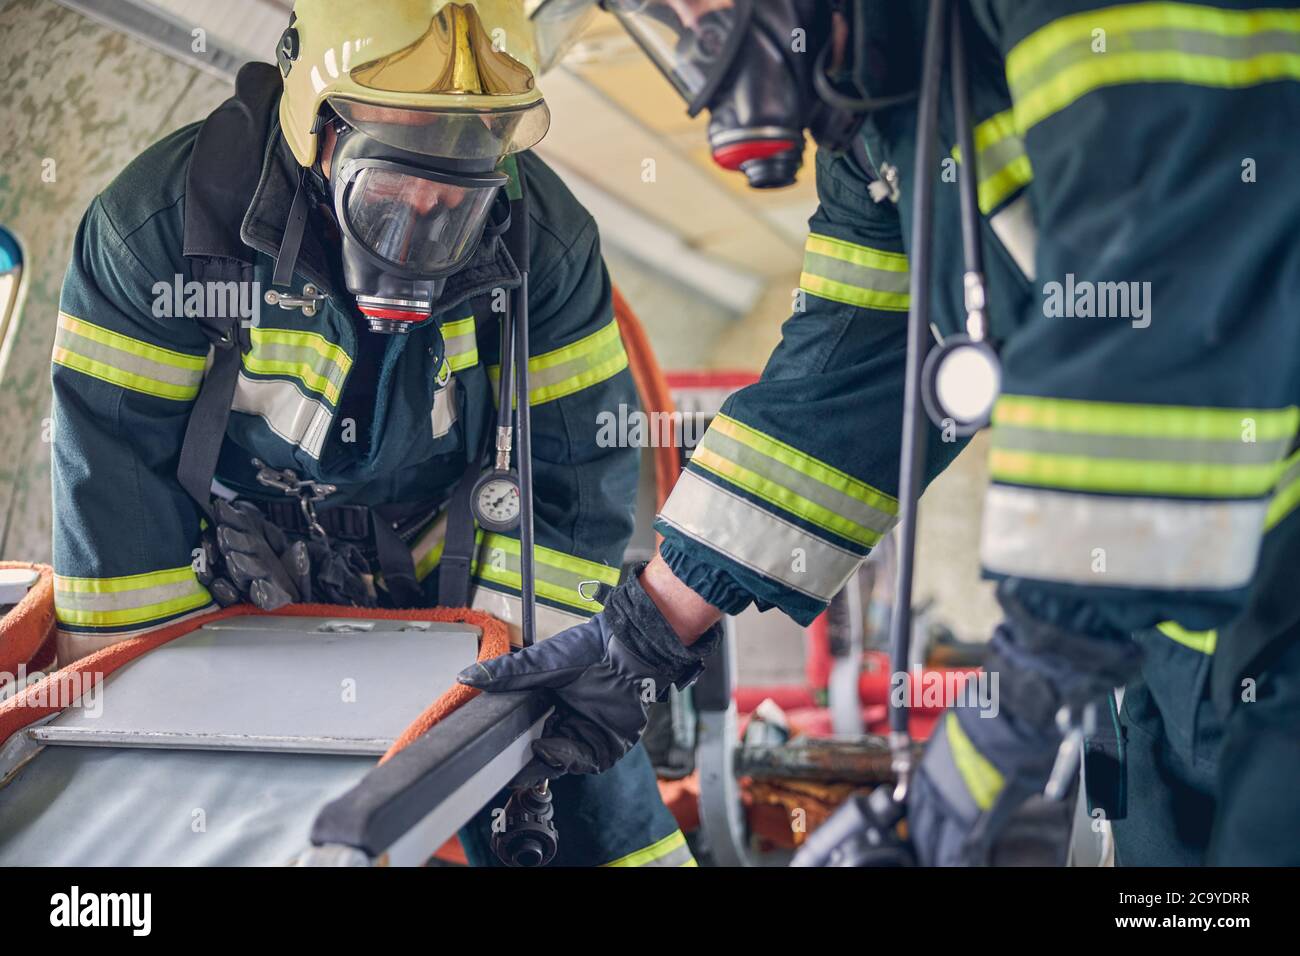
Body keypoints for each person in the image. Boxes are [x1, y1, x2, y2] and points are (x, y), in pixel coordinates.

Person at [469, 0, 1300, 864]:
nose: (691, 46)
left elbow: (1174, 297)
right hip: (1172, 632)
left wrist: (1025, 693)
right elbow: (844, 383)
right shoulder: (883, 125)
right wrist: (643, 631)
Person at [50, 0, 692, 868]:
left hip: (461, 573)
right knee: (212, 819)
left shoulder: (548, 240)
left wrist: (504, 697)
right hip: (244, 582)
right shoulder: (164, 232)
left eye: (456, 194)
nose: (422, 217)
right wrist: (167, 728)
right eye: (391, 186)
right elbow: (117, 520)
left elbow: (577, 485)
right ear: (318, 129)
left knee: (595, 809)